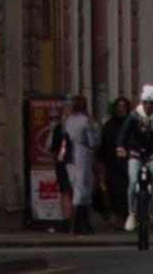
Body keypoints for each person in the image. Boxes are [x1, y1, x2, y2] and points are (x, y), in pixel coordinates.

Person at [113, 88, 153, 235]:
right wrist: (121, 147)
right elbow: (124, 133)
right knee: (132, 180)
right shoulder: (134, 116)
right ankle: (131, 213)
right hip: (136, 153)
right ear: (142, 102)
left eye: (151, 103)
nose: (148, 106)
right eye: (146, 102)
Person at [51, 100, 96, 234]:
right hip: (64, 162)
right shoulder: (59, 128)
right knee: (65, 191)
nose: (66, 115)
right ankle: (67, 222)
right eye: (64, 112)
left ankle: (82, 223)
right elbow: (54, 146)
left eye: (69, 112)